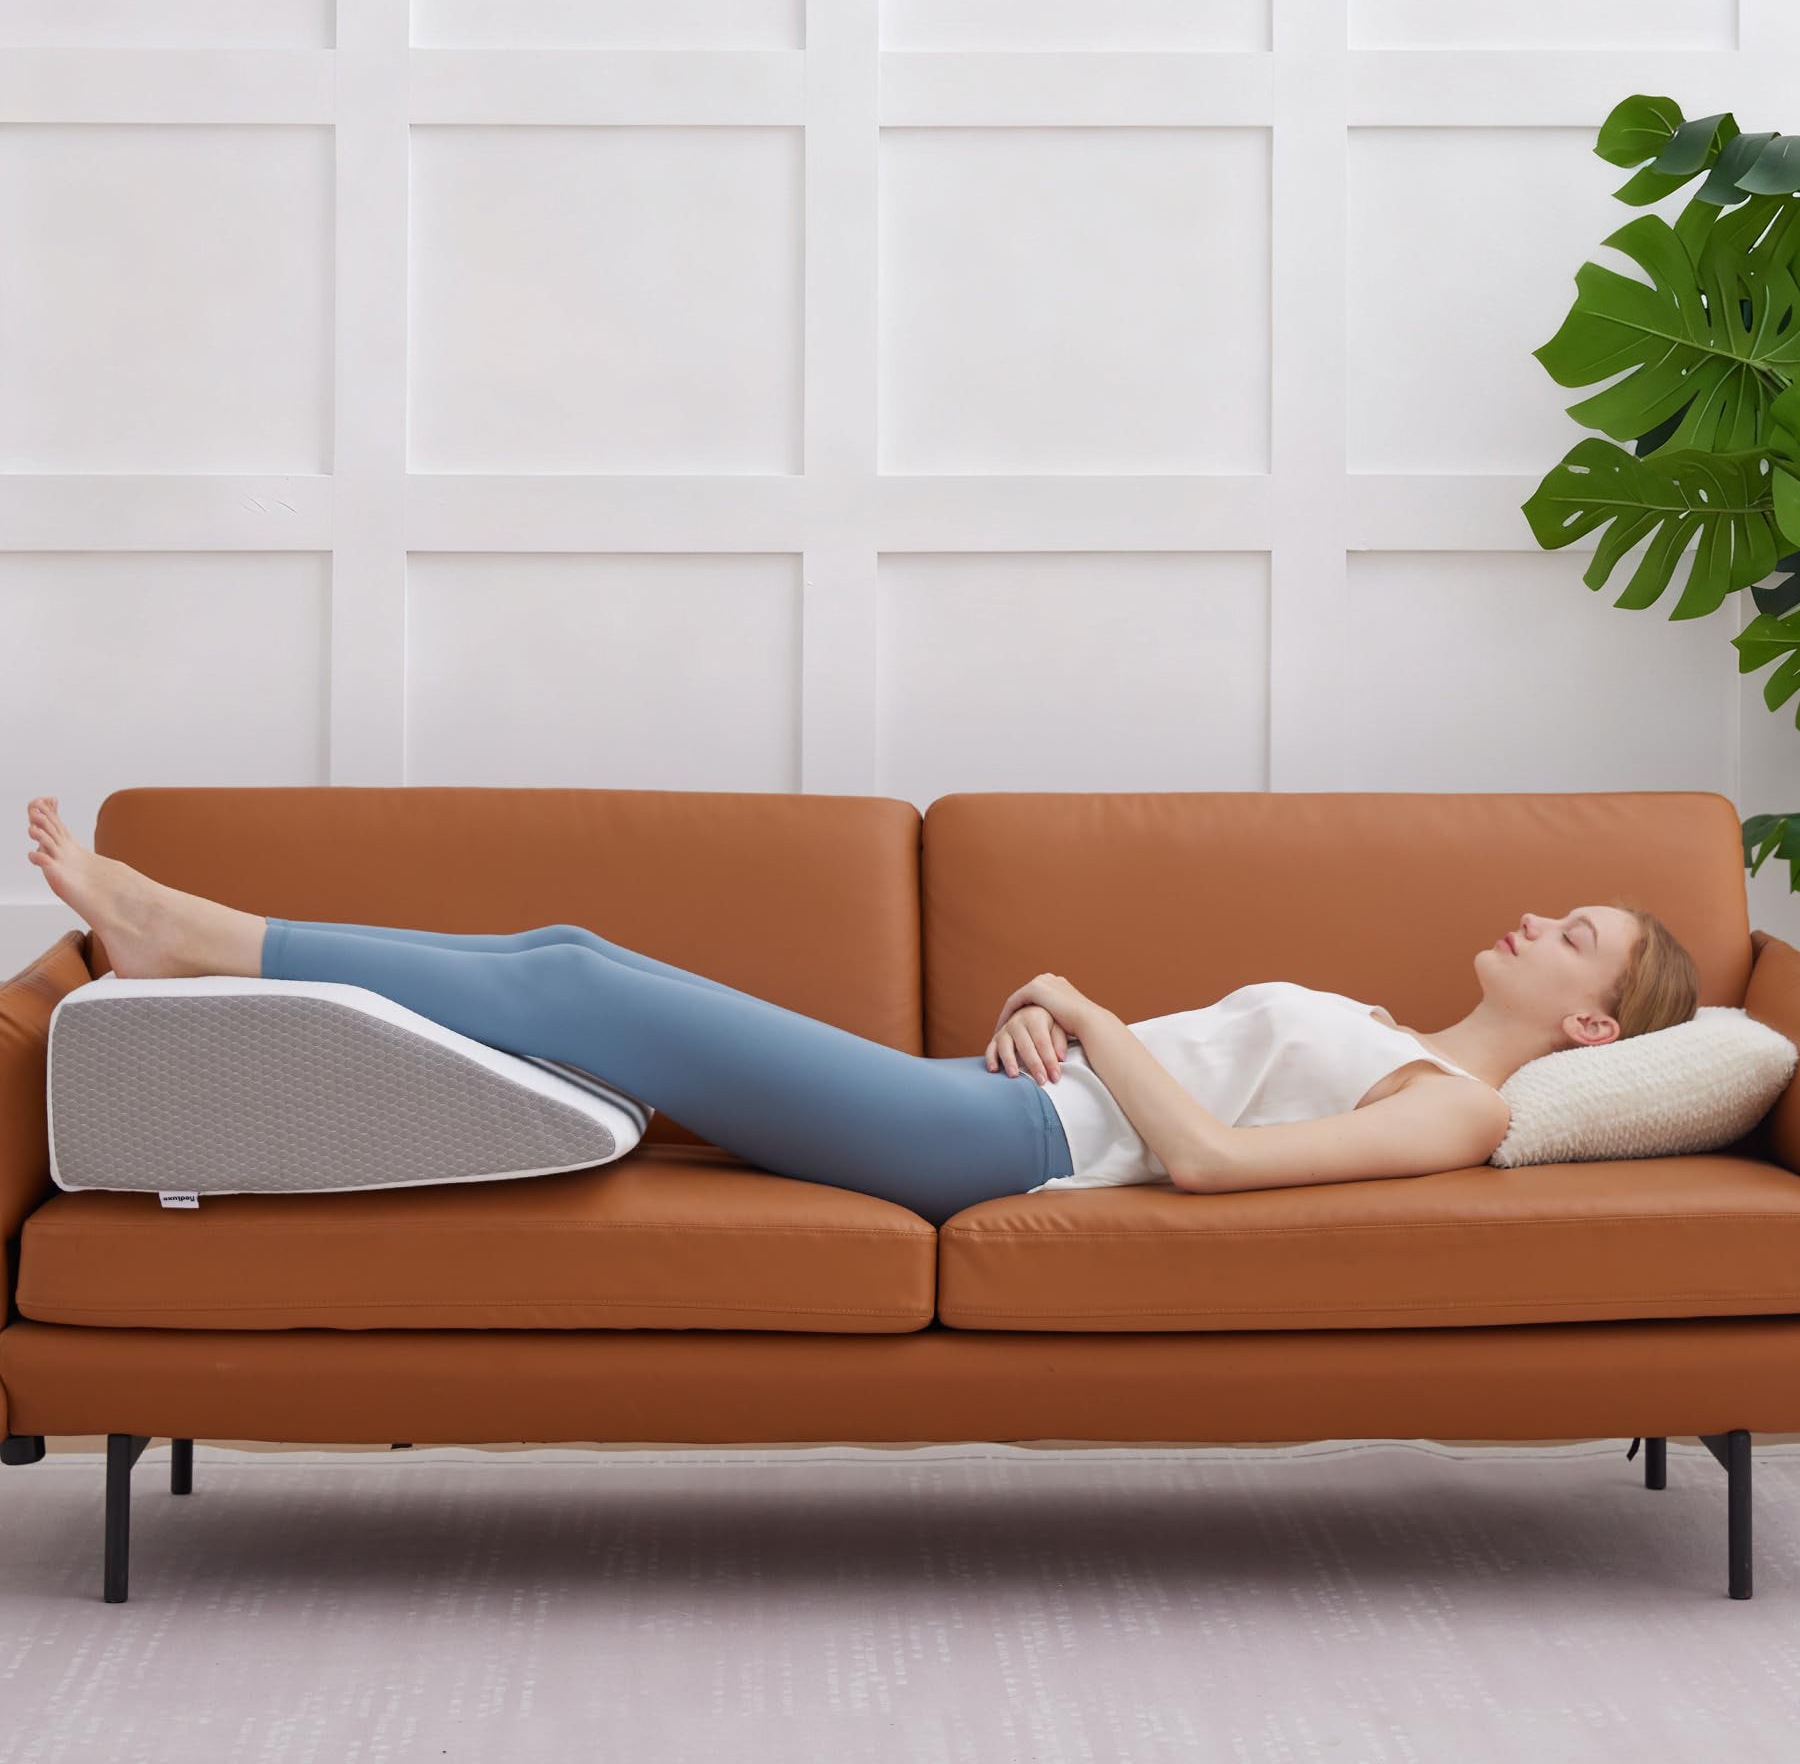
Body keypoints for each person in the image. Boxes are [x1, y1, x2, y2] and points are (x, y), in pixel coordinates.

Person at [21, 796, 1700, 1217]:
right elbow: (1191, 1085)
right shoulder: (1388, 1026)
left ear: (1590, 1033)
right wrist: (1045, 1021)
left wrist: (1078, 1009)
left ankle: (196, 935)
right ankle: (224, 966)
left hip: (993, 1147)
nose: (1541, 918)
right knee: (564, 957)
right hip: (981, 1095)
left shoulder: (1466, 1105)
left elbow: (1207, 1167)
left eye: (1581, 936)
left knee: (575, 978)